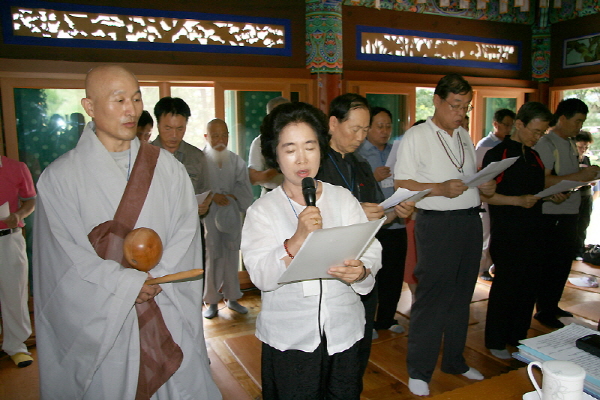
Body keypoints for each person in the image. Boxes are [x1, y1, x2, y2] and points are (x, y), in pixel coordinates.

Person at [33, 64, 221, 399]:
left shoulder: (167, 168)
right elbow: (64, 259)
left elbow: (186, 235)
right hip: (104, 318)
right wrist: (126, 284)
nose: (131, 109)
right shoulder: (60, 178)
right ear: (89, 106)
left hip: (165, 306)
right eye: (118, 100)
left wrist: (156, 279)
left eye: (135, 99)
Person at [241, 101, 382, 399]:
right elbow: (261, 275)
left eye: (310, 147)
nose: (302, 158)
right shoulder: (261, 211)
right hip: (290, 339)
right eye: (290, 149)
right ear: (275, 155)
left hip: (344, 332)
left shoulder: (342, 199)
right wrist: (295, 241)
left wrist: (362, 269)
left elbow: (371, 247)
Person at [394, 74, 496, 396]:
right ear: (437, 101)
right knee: (431, 299)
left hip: (469, 222)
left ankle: (455, 360)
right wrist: (438, 188)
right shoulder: (416, 136)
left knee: (462, 297)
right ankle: (419, 370)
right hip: (436, 225)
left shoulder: (465, 135)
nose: (460, 113)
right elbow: (402, 186)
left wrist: (485, 186)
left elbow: (467, 179)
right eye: (455, 105)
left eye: (465, 107)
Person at [316, 93, 414, 378]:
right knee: (327, 350)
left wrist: (397, 212)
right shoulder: (316, 164)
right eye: (355, 129)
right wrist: (356, 212)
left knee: (358, 349)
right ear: (333, 123)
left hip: (362, 267)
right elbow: (306, 218)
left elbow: (377, 218)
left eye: (365, 129)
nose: (361, 137)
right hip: (329, 268)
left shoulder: (361, 166)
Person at [482, 102, 556, 359]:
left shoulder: (534, 156)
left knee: (528, 286)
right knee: (507, 287)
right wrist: (517, 201)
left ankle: (518, 336)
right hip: (508, 231)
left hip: (534, 230)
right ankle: (496, 339)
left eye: (542, 133)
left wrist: (549, 196)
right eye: (535, 131)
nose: (538, 137)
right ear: (519, 124)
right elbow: (488, 196)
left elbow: (534, 190)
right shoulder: (499, 154)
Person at [533, 98, 600, 328]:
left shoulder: (570, 142)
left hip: (570, 211)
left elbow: (569, 176)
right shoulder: (546, 143)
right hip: (552, 213)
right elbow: (542, 180)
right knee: (550, 264)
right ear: (561, 118)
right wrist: (578, 178)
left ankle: (552, 304)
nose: (579, 127)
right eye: (577, 121)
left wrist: (584, 175)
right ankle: (544, 309)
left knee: (563, 263)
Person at [358, 106, 407, 334]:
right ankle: (368, 323)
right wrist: (372, 177)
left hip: (397, 221)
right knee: (371, 275)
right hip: (373, 226)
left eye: (388, 126)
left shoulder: (396, 151)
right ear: (368, 128)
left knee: (394, 275)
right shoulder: (358, 154)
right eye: (379, 126)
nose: (385, 130)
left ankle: (387, 319)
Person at [202, 119, 254, 319]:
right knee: (212, 256)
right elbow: (194, 187)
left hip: (231, 214)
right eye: (215, 135)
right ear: (206, 137)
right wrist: (212, 196)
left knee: (232, 256)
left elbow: (245, 188)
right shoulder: (200, 160)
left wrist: (233, 198)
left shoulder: (236, 160)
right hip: (209, 214)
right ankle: (212, 301)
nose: (220, 139)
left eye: (224, 135)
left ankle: (232, 298)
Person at [0, 155, 36, 368]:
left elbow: (30, 200)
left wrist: (18, 214)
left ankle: (17, 346)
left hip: (8, 238)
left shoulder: (16, 168)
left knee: (14, 291)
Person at [152, 97, 212, 216]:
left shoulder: (197, 156)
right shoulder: (144, 155)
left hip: (189, 225)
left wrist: (205, 206)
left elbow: (206, 191)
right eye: (168, 128)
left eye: (180, 129)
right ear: (158, 125)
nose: (174, 135)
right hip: (154, 226)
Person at [475, 109, 516, 281]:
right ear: (495, 124)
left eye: (511, 125)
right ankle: (482, 268)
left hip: (503, 195)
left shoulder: (511, 145)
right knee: (486, 233)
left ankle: (495, 264)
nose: (509, 129)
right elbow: (477, 171)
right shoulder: (485, 145)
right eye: (505, 125)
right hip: (486, 195)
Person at [248, 96, 289, 195]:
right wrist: (276, 169)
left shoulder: (301, 138)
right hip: (271, 195)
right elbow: (253, 178)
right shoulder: (260, 142)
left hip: (299, 195)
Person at [574, 130, 596, 260]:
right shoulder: (569, 159)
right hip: (574, 196)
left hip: (586, 195)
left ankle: (580, 251)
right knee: (573, 226)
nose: (583, 150)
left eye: (586, 147)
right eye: (580, 147)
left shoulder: (586, 159)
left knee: (584, 223)